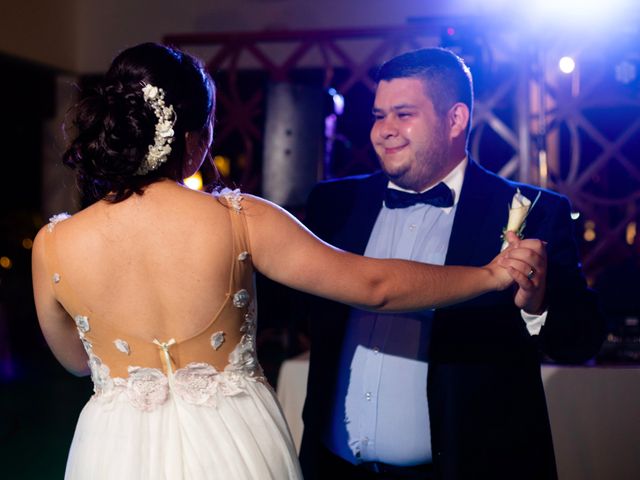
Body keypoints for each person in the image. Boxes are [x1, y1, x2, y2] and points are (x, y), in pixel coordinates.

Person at [30, 43, 534, 480]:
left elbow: (77, 361)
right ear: (194, 137)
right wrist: (490, 275)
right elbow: (376, 285)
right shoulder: (238, 218)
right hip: (232, 444)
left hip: (116, 451)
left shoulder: (54, 243)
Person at [299, 48, 604, 480]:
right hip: (333, 468)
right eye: (378, 115)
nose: (384, 131)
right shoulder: (333, 204)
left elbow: (582, 341)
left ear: (455, 119)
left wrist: (537, 304)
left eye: (403, 114)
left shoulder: (531, 211)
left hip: (468, 467)